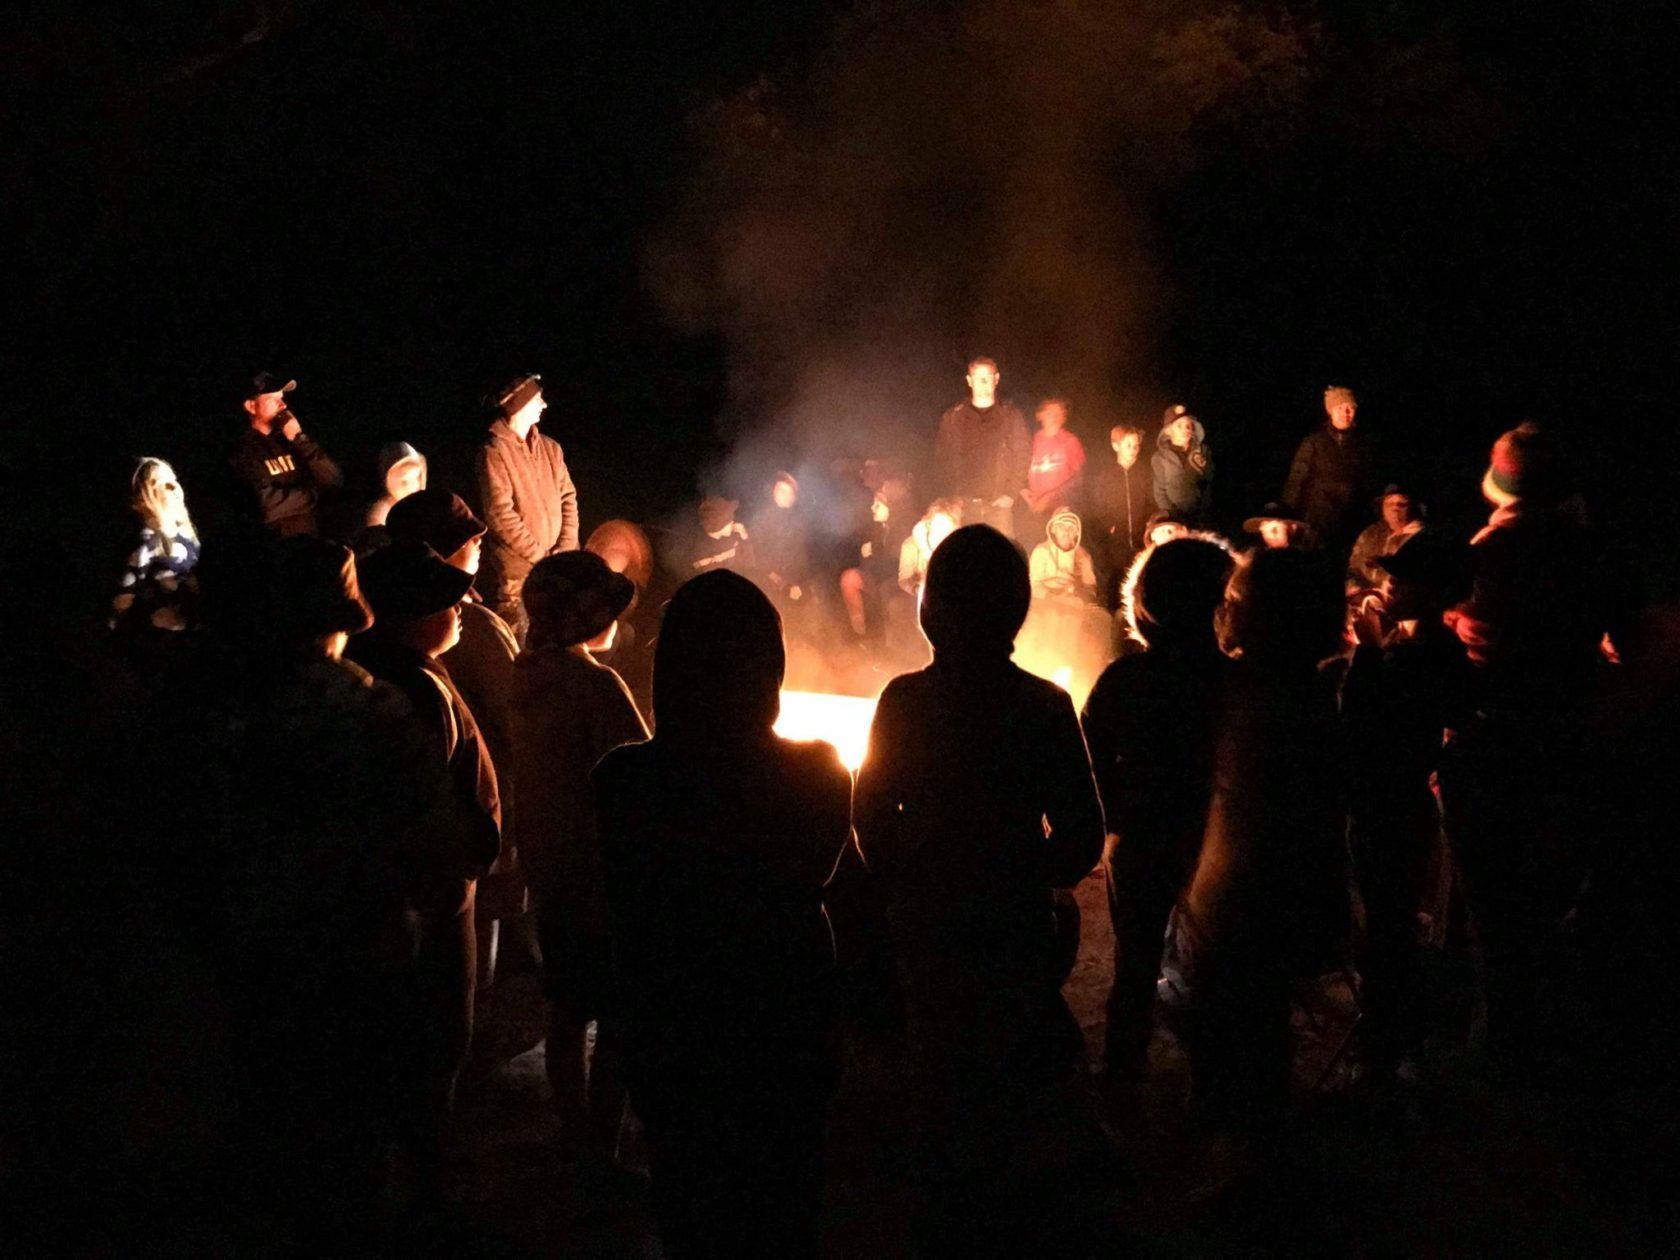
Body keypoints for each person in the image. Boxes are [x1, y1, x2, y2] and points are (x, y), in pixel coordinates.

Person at [855, 525, 1110, 1253]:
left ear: (929, 610)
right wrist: (1037, 878)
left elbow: (869, 814)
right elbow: (1083, 831)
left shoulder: (904, 700)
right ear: (1018, 611)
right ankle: (1004, 1205)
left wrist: (904, 880)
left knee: (937, 1060)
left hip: (928, 921)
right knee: (1006, 1064)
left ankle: (943, 1205)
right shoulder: (1044, 705)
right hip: (1013, 921)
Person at [593, 571, 852, 1256]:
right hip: (784, 1025)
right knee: (786, 1204)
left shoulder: (622, 782)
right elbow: (820, 875)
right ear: (769, 669)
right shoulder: (818, 773)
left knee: (689, 1202)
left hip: (674, 1029)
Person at [1438, 422, 1620, 1074]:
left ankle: (1502, 1050)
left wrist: (1449, 621)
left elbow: (1477, 636)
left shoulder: (1492, 548)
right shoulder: (1586, 547)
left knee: (1495, 903)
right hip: (1570, 734)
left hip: (1496, 735)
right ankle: (1551, 1038)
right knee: (1548, 893)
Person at [347, 541, 503, 1201]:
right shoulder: (412, 689)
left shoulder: (403, 673)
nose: (460, 608)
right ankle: (420, 1190)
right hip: (430, 906)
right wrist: (448, 877)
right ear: (405, 617)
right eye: (445, 602)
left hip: (431, 896)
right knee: (432, 1041)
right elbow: (423, 809)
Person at [1179, 548, 1350, 1139]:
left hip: (1237, 900)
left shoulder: (1241, 693)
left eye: (1232, 598)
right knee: (1265, 1031)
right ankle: (1261, 1148)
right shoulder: (1319, 693)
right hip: (1286, 896)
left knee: (1231, 1036)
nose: (1221, 609)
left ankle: (1242, 1155)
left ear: (1264, 616)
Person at [509, 551, 647, 1191]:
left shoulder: (527, 676)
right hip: (601, 876)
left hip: (549, 870)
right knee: (618, 1017)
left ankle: (571, 1133)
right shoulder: (596, 687)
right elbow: (635, 772)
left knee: (565, 1012)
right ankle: (602, 1146)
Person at [1083, 535, 1234, 1082]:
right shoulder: (1233, 681)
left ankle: (1122, 1074)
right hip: (1213, 838)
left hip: (1142, 835)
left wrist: (1113, 818)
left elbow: (1090, 751)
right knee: (1215, 961)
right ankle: (1214, 1083)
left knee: (1136, 960)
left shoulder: (1125, 678)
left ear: (1144, 601)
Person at [1343, 530, 1475, 1080]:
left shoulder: (1424, 654)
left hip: (1390, 801)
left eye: (1404, 579)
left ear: (1437, 591)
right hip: (1399, 798)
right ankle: (1395, 1038)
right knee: (1388, 918)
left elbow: (1363, 720)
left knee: (1387, 923)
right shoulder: (1427, 646)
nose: (1389, 584)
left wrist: (1368, 650)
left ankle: (1384, 1051)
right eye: (1390, 574)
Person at [385, 489, 523, 974]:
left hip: (444, 845)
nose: (481, 544)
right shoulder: (469, 630)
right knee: (462, 945)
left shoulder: (392, 630)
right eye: (470, 539)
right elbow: (512, 715)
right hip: (458, 841)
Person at [475, 373, 579, 642]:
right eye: (537, 399)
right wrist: (541, 557)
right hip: (519, 575)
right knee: (522, 641)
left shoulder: (551, 449)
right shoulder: (494, 451)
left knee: (558, 639)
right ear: (519, 405)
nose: (544, 404)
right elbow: (500, 514)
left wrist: (566, 548)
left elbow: (568, 498)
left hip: (556, 565)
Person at [230, 371, 343, 537]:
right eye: (273, 399)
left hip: (313, 538)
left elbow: (333, 479)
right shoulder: (243, 450)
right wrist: (316, 495)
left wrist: (300, 439)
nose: (283, 405)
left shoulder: (291, 440)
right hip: (277, 544)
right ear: (251, 406)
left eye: (282, 398)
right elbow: (265, 505)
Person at [934, 356, 1031, 538]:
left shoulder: (1010, 416)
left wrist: (1011, 494)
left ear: (996, 379)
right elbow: (943, 457)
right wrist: (954, 496)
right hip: (964, 507)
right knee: (966, 553)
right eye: (978, 378)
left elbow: (1023, 455)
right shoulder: (954, 417)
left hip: (999, 508)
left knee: (1003, 553)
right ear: (969, 381)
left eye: (988, 377)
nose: (984, 383)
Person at [111, 457, 201, 637]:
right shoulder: (145, 544)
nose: (173, 487)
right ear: (143, 498)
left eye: (173, 480)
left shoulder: (183, 528)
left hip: (196, 625)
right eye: (161, 484)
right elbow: (122, 602)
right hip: (167, 637)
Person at [1282, 385, 1374, 554]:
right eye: (1340, 408)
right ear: (1330, 411)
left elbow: (1368, 483)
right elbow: (1296, 480)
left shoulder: (1363, 445)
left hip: (1350, 522)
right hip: (1316, 522)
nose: (1346, 413)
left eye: (1350, 408)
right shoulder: (1314, 442)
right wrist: (1287, 514)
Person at [1089, 425, 1149, 609]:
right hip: (1115, 541)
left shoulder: (1143, 474)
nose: (1133, 450)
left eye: (1136, 445)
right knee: (1115, 583)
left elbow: (1149, 502)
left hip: (1139, 539)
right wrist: (1110, 526)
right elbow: (1098, 506)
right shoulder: (1105, 477)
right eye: (1128, 445)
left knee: (1138, 583)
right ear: (1116, 446)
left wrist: (1148, 526)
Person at [1021, 398, 1086, 536]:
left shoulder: (1070, 441)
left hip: (1062, 510)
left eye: (1060, 413)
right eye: (1051, 413)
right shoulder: (1032, 441)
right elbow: (1021, 470)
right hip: (1035, 509)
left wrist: (1048, 498)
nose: (1055, 418)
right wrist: (1024, 491)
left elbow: (1078, 479)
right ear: (1039, 415)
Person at [749, 471, 812, 615]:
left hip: (796, 581)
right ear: (772, 492)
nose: (785, 495)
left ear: (794, 496)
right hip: (770, 583)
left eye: (789, 491)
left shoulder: (799, 519)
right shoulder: (760, 520)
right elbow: (759, 559)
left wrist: (800, 583)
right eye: (781, 490)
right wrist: (784, 584)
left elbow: (803, 557)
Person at [1346, 484, 1423, 593]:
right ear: (1381, 507)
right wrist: (1357, 592)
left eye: (1402, 504)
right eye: (1389, 503)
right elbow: (1354, 570)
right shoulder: (1371, 534)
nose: (1395, 508)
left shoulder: (1423, 537)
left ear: (1413, 507)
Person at [1151, 404, 1213, 524]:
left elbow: (1210, 482)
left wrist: (1204, 511)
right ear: (1168, 431)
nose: (1186, 429)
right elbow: (1159, 492)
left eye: (1189, 425)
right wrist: (1172, 515)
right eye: (1179, 426)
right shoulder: (1159, 458)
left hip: (1202, 518)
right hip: (1175, 519)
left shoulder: (1203, 451)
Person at [1029, 507, 1098, 604]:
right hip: (1045, 602)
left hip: (1074, 602)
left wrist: (1081, 600)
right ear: (1053, 529)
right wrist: (1053, 598)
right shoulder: (1041, 552)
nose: (1066, 532)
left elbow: (1090, 587)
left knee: (1100, 613)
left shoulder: (1083, 555)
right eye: (1061, 527)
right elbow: (1033, 585)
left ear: (1077, 533)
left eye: (1071, 528)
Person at [897, 498, 962, 599]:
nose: (942, 535)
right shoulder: (909, 546)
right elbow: (904, 579)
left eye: (947, 530)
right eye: (938, 528)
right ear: (928, 525)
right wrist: (917, 589)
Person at [363, 441, 429, 534]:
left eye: (416, 478)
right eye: (404, 481)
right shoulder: (382, 515)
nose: (411, 486)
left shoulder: (425, 508)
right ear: (389, 481)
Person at [690, 494, 752, 574]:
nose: (733, 522)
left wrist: (745, 537)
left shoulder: (735, 535)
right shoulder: (701, 551)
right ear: (720, 526)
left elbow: (749, 564)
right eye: (730, 520)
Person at [1241, 501, 1313, 551]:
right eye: (1264, 525)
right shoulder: (1256, 556)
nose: (1268, 532)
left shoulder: (1302, 557)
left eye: (1275, 529)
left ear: (1292, 528)